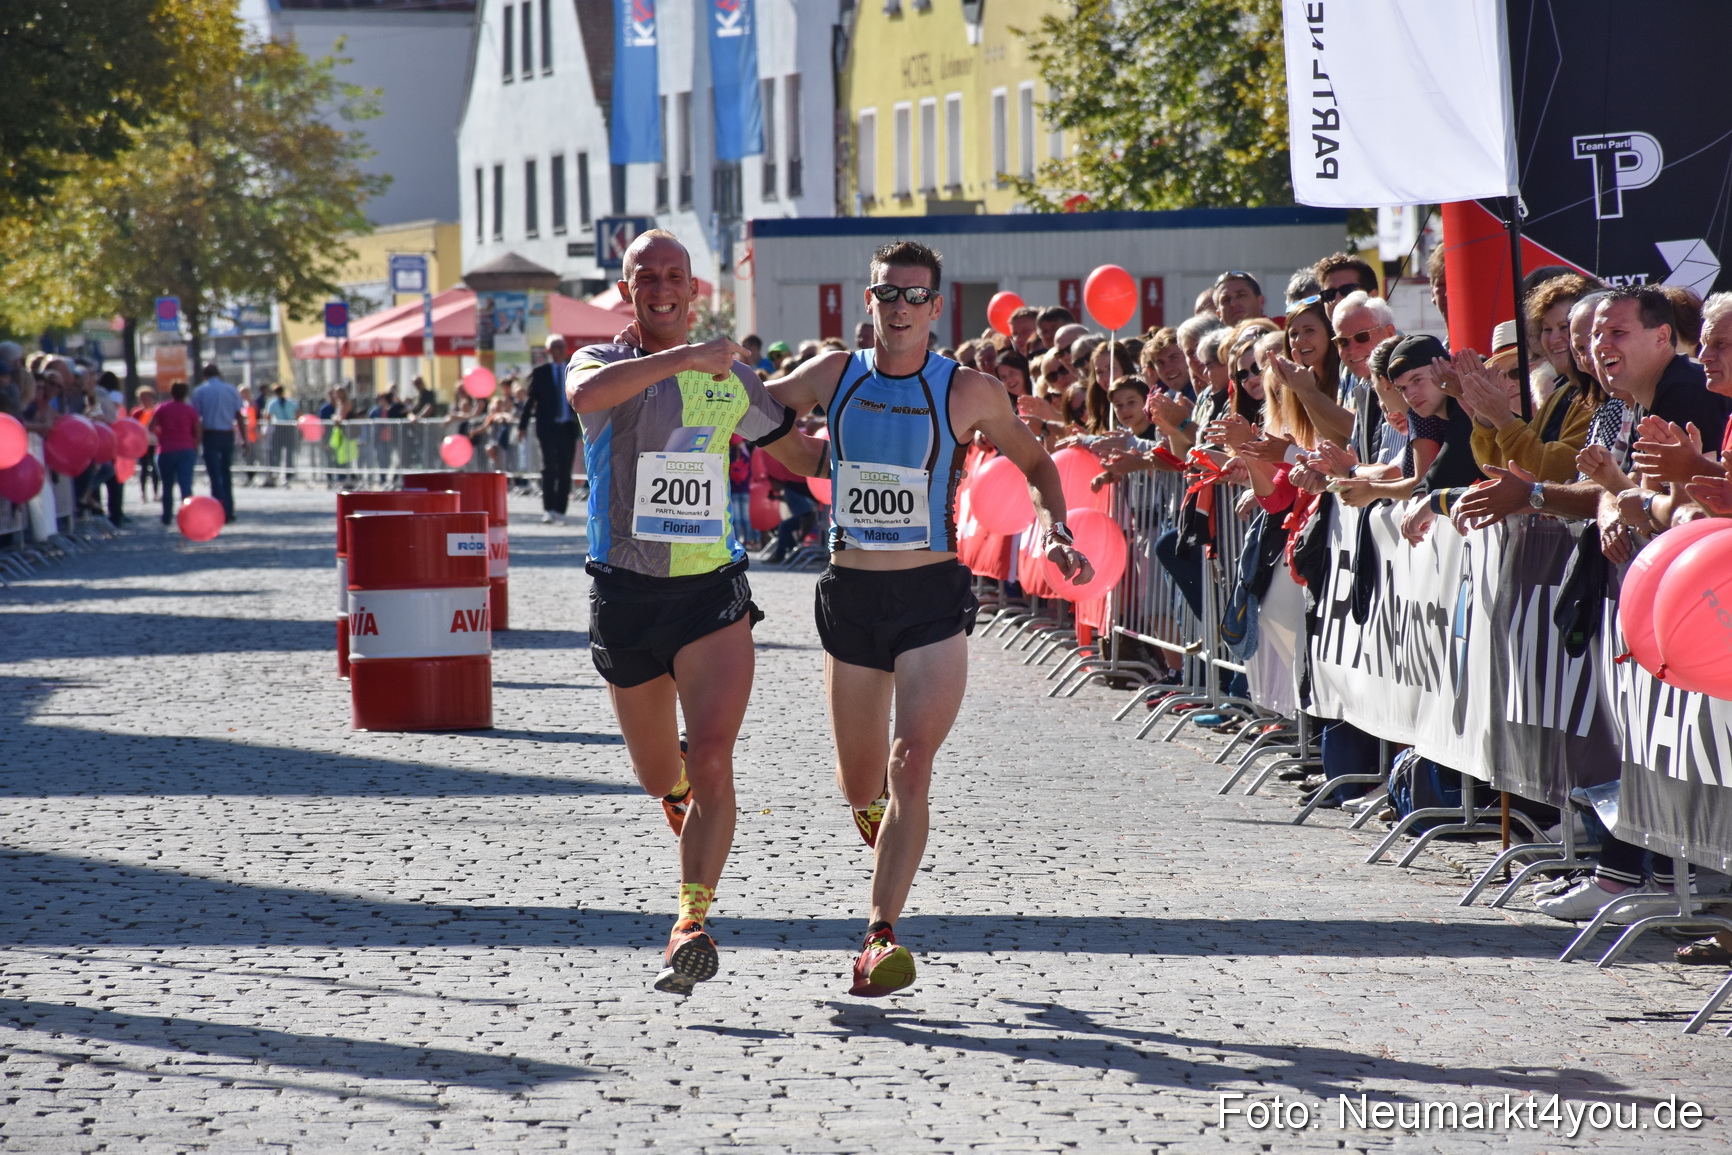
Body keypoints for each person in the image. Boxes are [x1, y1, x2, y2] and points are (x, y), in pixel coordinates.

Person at [766, 240, 1093, 997]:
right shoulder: (833, 375)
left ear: (937, 308)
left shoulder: (969, 390)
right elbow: (780, 426)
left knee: (911, 760)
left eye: (916, 297)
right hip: (850, 599)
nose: (901, 308)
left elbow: (1038, 463)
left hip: (930, 601)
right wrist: (731, 411)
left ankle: (879, 936)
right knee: (861, 783)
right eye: (888, 294)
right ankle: (874, 816)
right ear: (868, 299)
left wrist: (1054, 526)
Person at [564, 229, 822, 996]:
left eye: (676, 275)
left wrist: (887, 431)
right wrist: (686, 358)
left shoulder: (730, 377)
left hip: (710, 594)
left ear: (696, 288)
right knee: (658, 774)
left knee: (712, 758)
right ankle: (675, 793)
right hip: (627, 596)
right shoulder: (601, 363)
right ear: (626, 289)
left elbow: (800, 454)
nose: (663, 287)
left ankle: (689, 921)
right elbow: (584, 400)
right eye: (648, 276)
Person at [521, 335, 580, 524]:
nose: (560, 350)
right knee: (549, 468)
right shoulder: (541, 372)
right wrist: (522, 426)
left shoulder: (574, 370)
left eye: (562, 346)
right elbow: (530, 401)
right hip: (548, 427)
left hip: (567, 427)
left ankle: (561, 511)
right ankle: (549, 509)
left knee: (565, 470)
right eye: (556, 347)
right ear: (549, 351)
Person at [190, 363, 243, 522]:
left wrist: (196, 441)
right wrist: (245, 439)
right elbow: (239, 415)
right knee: (226, 473)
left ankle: (218, 510)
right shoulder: (231, 389)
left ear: (204, 375)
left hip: (210, 434)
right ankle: (229, 510)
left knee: (214, 475)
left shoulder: (199, 391)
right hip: (227, 433)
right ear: (219, 373)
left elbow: (196, 419)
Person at [149, 381, 201, 526]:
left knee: (167, 485)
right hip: (186, 449)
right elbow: (197, 430)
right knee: (186, 484)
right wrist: (196, 445)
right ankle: (188, 515)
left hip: (165, 449)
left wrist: (160, 434)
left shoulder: (162, 408)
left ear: (171, 392)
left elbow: (151, 426)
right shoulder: (190, 410)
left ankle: (166, 516)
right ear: (185, 393)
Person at [263, 384, 298, 486]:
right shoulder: (291, 402)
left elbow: (267, 416)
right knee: (289, 454)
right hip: (289, 428)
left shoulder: (272, 403)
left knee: (276, 453)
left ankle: (276, 473)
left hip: (278, 428)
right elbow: (298, 413)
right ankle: (288, 475)